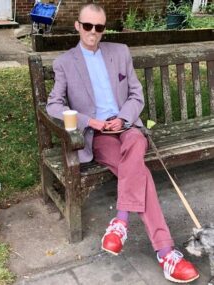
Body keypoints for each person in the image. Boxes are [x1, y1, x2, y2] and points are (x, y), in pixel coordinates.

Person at [46, 3, 199, 283]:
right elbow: (53, 105)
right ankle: (166, 252)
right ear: (78, 26)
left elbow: (136, 96)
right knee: (139, 173)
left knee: (136, 145)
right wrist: (89, 122)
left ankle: (121, 222)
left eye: (99, 27)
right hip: (100, 134)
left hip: (127, 126)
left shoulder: (120, 52)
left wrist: (124, 118)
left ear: (104, 29)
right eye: (88, 26)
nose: (93, 32)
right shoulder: (65, 63)